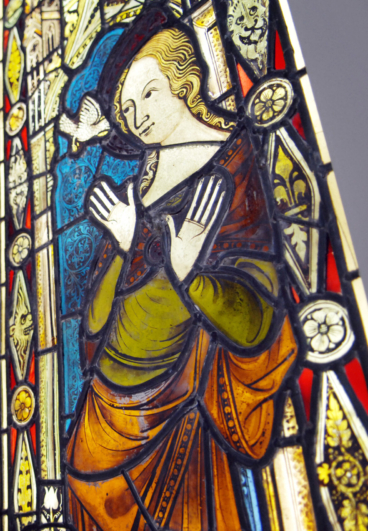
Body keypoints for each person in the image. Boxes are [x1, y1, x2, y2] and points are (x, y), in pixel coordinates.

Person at [64, 12, 297, 531]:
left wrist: (193, 277)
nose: (137, 115)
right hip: (103, 411)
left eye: (147, 94)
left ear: (185, 81)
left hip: (181, 412)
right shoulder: (137, 191)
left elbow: (258, 322)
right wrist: (125, 245)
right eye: (126, 109)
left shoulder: (234, 163)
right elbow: (97, 324)